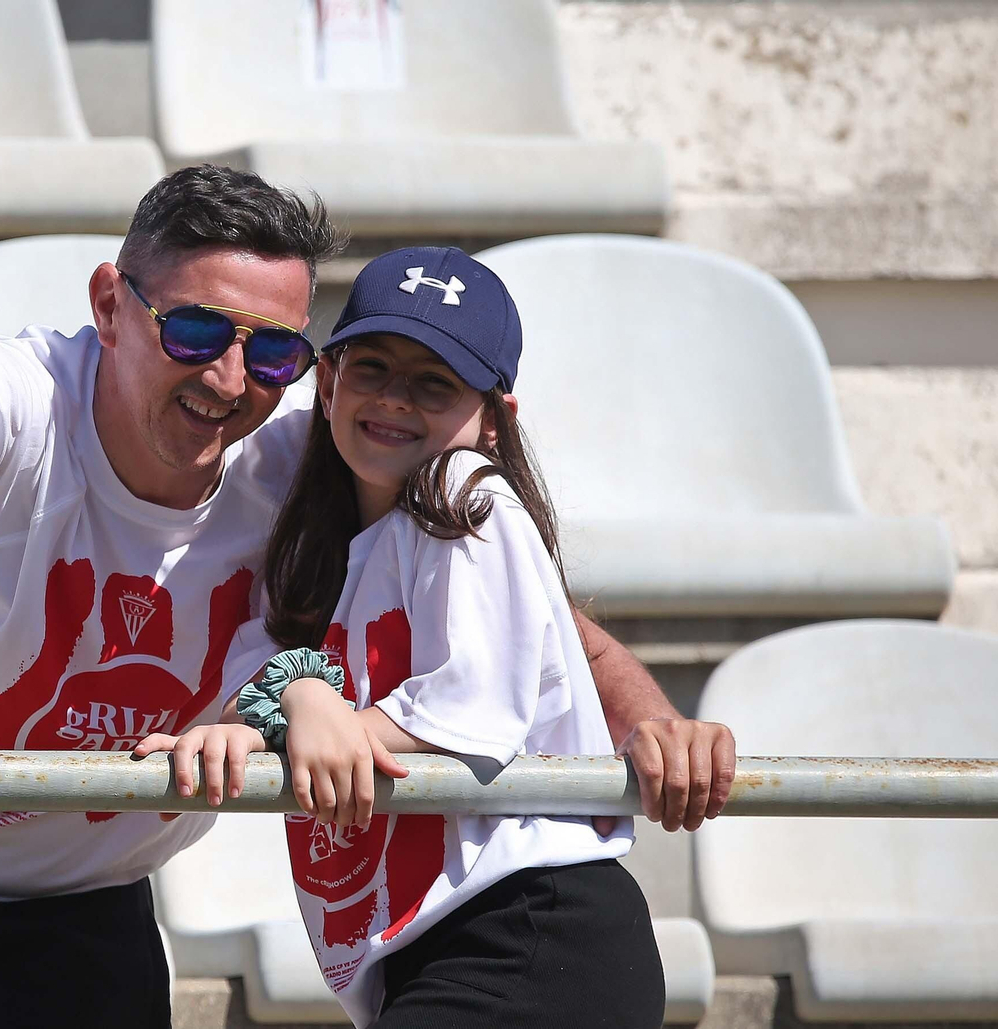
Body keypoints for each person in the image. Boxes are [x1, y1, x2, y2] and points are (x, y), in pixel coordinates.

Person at [0, 165, 732, 1028]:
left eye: (276, 353)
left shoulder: (307, 462)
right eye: (195, 331)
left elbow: (538, 622)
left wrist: (654, 726)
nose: (231, 379)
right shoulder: (26, 400)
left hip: (81, 907)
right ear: (110, 307)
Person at [138, 246, 665, 1027]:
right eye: (373, 367)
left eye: (434, 383)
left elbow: (472, 706)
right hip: (435, 949)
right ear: (327, 382)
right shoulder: (320, 542)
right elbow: (262, 653)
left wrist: (320, 725)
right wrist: (292, 700)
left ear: (495, 419)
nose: (394, 399)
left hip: (534, 930)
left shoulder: (467, 496)